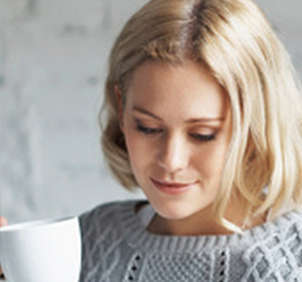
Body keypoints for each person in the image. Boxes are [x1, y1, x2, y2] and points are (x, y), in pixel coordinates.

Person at [1, 0, 302, 281]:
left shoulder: (290, 262)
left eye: (202, 134)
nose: (171, 160)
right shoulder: (89, 240)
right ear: (121, 109)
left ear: (256, 125)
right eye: (147, 127)